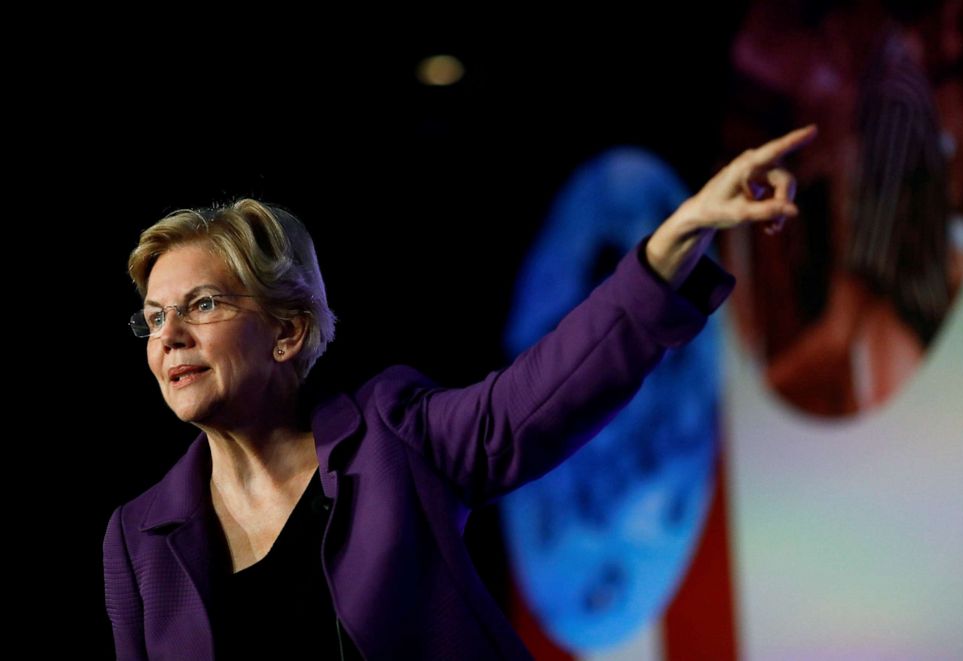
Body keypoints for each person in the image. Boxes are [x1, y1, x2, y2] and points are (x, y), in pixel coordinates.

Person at [103, 125, 817, 660]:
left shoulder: (393, 440)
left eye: (201, 306)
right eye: (155, 317)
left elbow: (547, 392)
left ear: (287, 332)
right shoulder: (139, 540)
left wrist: (675, 242)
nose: (168, 336)